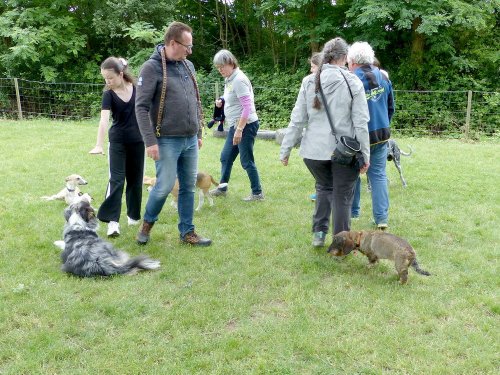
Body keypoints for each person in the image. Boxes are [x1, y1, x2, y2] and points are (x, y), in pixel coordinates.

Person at [280, 37, 370, 247]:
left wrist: (286, 150)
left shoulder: (309, 80)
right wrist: (365, 154)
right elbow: (361, 123)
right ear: (345, 58)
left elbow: (297, 119)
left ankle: (319, 234)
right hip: (344, 151)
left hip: (313, 152)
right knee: (342, 196)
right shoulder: (352, 81)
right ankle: (340, 244)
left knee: (323, 187)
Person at [134, 21, 211, 246]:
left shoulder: (188, 66)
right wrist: (150, 141)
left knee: (187, 186)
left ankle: (188, 233)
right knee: (165, 186)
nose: (189, 51)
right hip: (165, 139)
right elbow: (140, 107)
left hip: (189, 139)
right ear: (171, 42)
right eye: (186, 46)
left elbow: (194, 101)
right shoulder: (151, 68)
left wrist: (198, 132)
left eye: (191, 47)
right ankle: (147, 224)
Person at [89, 57, 145, 237]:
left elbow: (147, 113)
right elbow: (104, 120)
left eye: (110, 78)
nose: (107, 82)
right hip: (117, 142)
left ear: (121, 74)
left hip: (138, 141)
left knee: (136, 181)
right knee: (117, 180)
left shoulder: (137, 89)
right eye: (105, 78)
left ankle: (133, 216)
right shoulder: (108, 94)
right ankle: (112, 222)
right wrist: (99, 144)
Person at [347, 42, 395, 229]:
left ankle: (353, 211)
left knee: (353, 174)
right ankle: (381, 218)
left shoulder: (351, 80)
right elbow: (391, 106)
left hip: (358, 137)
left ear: (352, 61)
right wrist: (384, 123)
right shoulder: (383, 77)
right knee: (378, 175)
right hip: (381, 135)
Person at [209, 49, 264, 201]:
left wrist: (239, 130)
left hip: (246, 126)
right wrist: (221, 100)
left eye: (222, 67)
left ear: (231, 63)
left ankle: (257, 193)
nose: (220, 70)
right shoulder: (230, 79)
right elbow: (233, 97)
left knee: (246, 161)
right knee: (225, 157)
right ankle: (222, 188)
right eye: (218, 67)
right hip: (235, 126)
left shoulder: (239, 79)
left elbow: (247, 106)